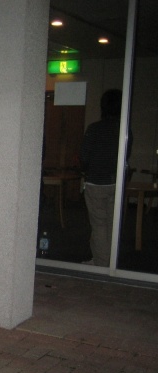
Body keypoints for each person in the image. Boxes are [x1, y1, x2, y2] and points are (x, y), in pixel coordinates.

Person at [80, 88, 131, 267]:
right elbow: (126, 156)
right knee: (113, 224)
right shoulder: (124, 130)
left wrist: (86, 170)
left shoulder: (94, 129)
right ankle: (110, 263)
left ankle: (102, 264)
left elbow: (84, 157)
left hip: (96, 183)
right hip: (116, 182)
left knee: (99, 224)